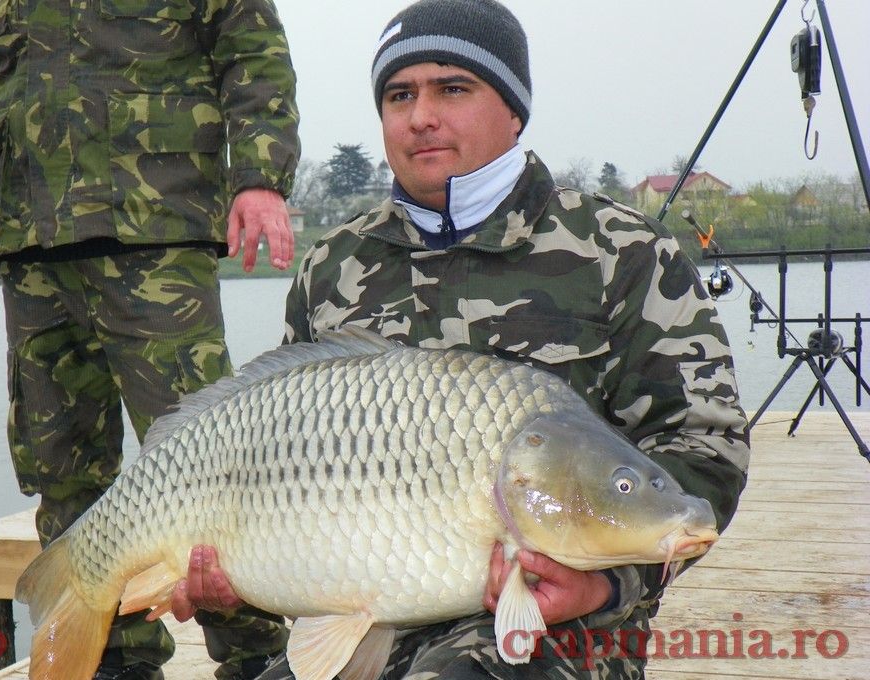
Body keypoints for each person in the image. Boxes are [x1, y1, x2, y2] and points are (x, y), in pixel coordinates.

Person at [170, 0, 751, 678]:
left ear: (514, 109)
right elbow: (279, 466)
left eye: (452, 88)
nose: (420, 116)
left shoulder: (622, 251)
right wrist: (232, 579)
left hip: (557, 626)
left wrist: (607, 585)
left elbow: (704, 452)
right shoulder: (333, 266)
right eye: (399, 95)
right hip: (364, 620)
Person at [0, 1, 299, 678]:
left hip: (155, 229)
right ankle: (114, 659)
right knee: (62, 472)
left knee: (213, 466)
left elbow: (251, 51)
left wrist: (259, 177)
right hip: (30, 242)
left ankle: (257, 657)